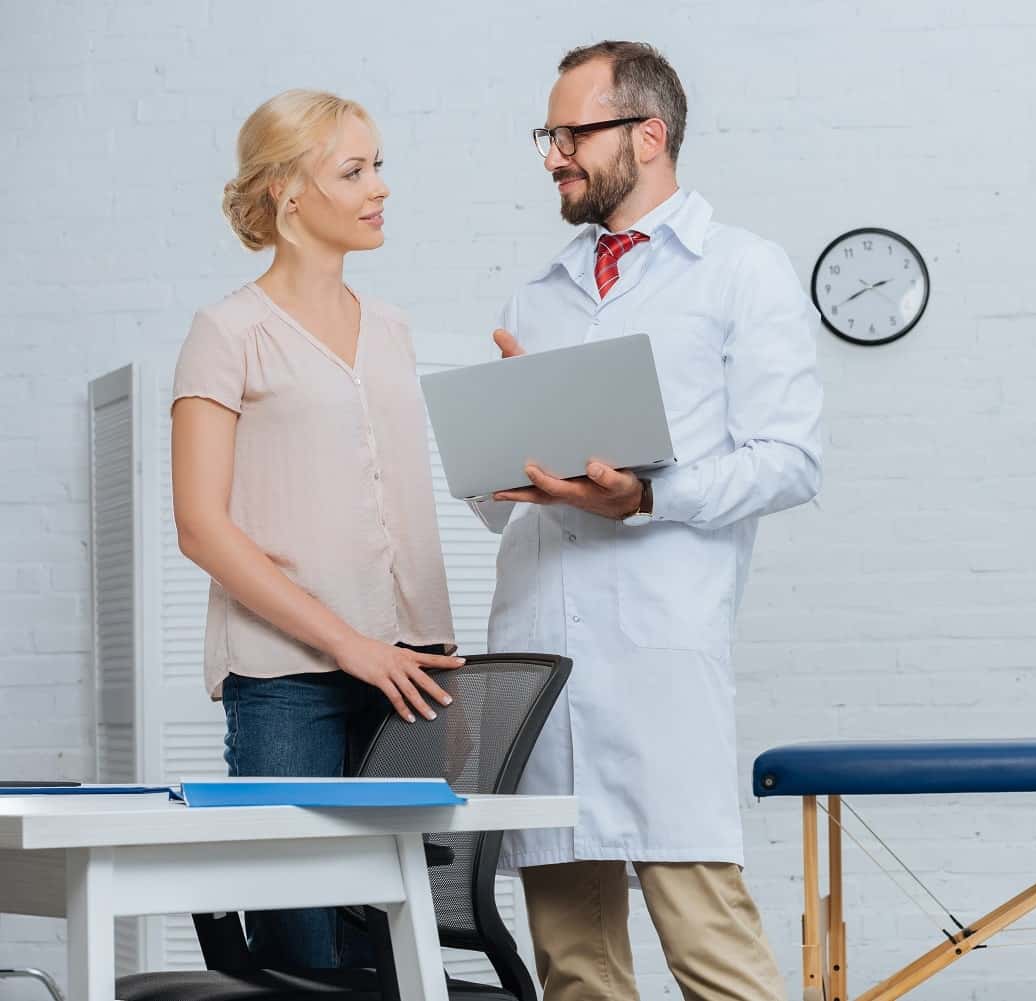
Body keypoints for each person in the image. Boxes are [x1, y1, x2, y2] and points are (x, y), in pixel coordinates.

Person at [487, 41, 824, 1001]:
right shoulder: (538, 294)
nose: (554, 155)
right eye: (547, 136)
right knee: (575, 970)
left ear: (649, 133)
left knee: (714, 958)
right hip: (541, 663)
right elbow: (493, 502)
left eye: (572, 134)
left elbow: (791, 459)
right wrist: (499, 451)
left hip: (658, 663)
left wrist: (645, 496)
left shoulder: (742, 271)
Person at [170, 89, 463, 969]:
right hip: (287, 681)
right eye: (354, 170)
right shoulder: (227, 333)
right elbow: (201, 527)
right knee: (302, 953)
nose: (380, 188)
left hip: (412, 672)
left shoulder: (395, 330)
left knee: (397, 950)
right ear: (288, 191)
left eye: (379, 167)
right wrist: (348, 644)